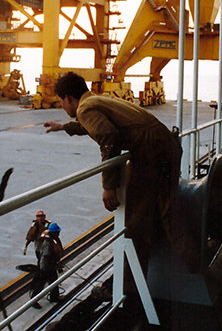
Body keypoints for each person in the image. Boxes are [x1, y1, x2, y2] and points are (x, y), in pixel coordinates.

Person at [43, 72, 198, 274]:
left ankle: (128, 288)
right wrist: (64, 127)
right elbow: (96, 125)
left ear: (68, 98)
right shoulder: (97, 99)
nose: (62, 107)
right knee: (167, 210)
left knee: (135, 222)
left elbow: (108, 137)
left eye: (61, 101)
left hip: (150, 153)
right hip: (165, 145)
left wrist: (109, 186)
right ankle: (196, 261)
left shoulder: (84, 108)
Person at [30, 222, 64, 308]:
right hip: (45, 267)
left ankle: (54, 297)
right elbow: (46, 257)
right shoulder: (47, 243)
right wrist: (55, 264)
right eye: (57, 232)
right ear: (53, 233)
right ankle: (33, 301)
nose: (59, 234)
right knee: (40, 284)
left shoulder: (52, 240)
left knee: (54, 281)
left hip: (50, 266)